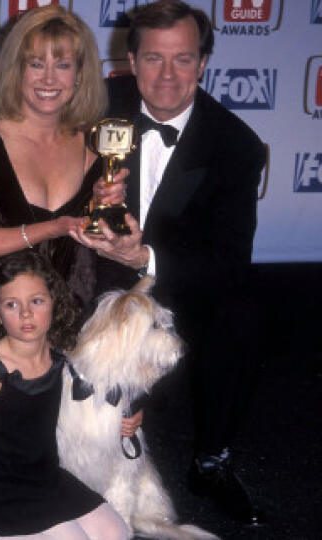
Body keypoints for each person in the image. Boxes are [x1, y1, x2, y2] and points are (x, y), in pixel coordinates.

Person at [69, 0, 265, 526]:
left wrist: (147, 256)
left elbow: (228, 261)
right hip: (95, 269)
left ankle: (211, 460)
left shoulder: (236, 146)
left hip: (177, 284)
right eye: (154, 59)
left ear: (203, 63)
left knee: (242, 317)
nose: (168, 75)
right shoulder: (94, 106)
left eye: (183, 59)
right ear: (130, 62)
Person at [0, 251, 129, 540]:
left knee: (116, 532)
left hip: (45, 476)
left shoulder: (59, 355)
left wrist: (131, 412)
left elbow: (105, 381)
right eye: (12, 304)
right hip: (0, 489)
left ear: (54, 302)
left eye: (36, 301)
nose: (25, 313)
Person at [0, 5, 117, 309]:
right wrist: (51, 229)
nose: (49, 79)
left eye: (62, 65)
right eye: (36, 64)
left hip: (76, 338)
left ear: (79, 75)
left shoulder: (102, 149)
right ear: (17, 69)